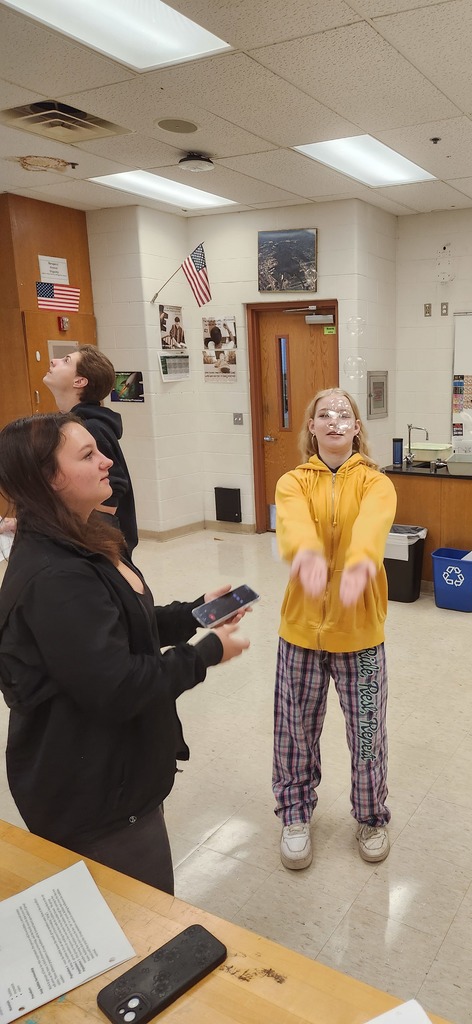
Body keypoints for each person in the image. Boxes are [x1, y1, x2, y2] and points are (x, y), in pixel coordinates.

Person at [0, 413, 250, 894]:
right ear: (50, 478)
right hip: (92, 798)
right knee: (144, 927)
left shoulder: (83, 538)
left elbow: (123, 623)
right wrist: (206, 653)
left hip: (117, 770)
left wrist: (197, 614)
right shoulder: (56, 577)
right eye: (88, 455)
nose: (106, 461)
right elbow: (118, 685)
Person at [273, 387, 396, 870]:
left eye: (344, 414)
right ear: (312, 427)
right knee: (294, 730)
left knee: (367, 731)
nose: (334, 421)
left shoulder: (376, 482)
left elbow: (372, 527)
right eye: (324, 414)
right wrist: (305, 556)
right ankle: (296, 814)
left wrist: (362, 563)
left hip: (360, 631)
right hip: (300, 630)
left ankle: (370, 816)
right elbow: (294, 526)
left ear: (357, 427)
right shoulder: (292, 482)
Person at [44, 345, 139, 556]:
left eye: (66, 360)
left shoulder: (90, 427)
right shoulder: (75, 424)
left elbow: (114, 484)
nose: (53, 361)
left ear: (80, 381)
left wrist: (93, 535)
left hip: (100, 542)